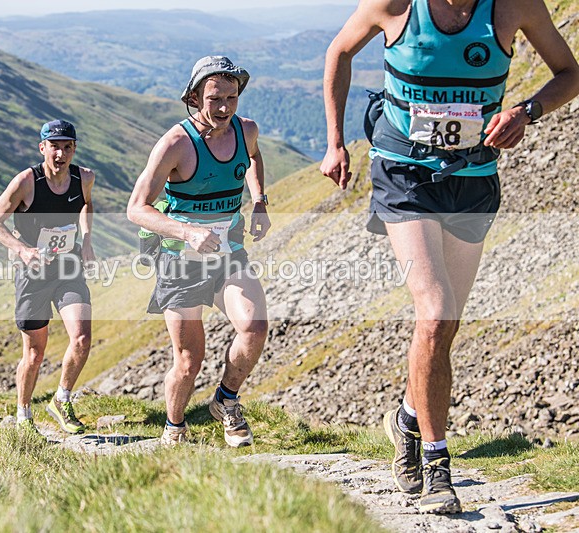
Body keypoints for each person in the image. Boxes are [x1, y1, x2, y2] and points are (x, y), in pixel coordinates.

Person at [320, 0, 579, 514]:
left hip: (473, 178)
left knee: (445, 324)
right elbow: (338, 52)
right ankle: (437, 464)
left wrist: (525, 112)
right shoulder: (393, 5)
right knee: (434, 313)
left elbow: (570, 73)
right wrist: (335, 143)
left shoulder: (513, 6)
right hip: (403, 175)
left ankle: (407, 418)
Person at [127, 56, 271, 447]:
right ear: (194, 97)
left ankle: (225, 399)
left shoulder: (247, 130)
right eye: (214, 99)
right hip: (180, 262)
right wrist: (187, 231)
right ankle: (174, 428)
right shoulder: (176, 143)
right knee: (189, 361)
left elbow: (254, 157)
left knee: (255, 328)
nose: (224, 108)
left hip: (228, 254)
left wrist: (259, 200)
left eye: (231, 97)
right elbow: (136, 208)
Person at [0, 119, 96, 434]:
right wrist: (21, 249)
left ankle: (61, 399)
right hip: (32, 273)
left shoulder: (84, 178)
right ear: (42, 148)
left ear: (74, 149)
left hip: (67, 268)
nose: (61, 154)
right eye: (55, 147)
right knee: (34, 353)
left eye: (67, 147)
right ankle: (23, 414)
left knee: (82, 338)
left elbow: (86, 206)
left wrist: (86, 240)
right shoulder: (26, 182)